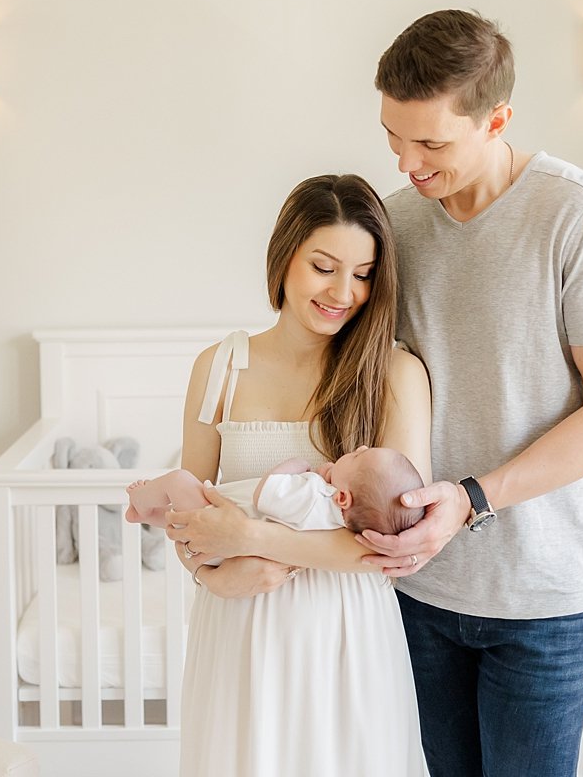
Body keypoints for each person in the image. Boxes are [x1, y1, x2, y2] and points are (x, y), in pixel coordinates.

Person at [358, 9, 583, 777]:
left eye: (431, 143)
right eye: (394, 138)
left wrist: (473, 498)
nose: (407, 164)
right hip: (420, 585)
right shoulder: (396, 227)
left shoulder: (579, 219)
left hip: (542, 599)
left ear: (498, 119)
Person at [163, 173, 432, 777]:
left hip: (344, 631)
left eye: (363, 274)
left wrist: (253, 538)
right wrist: (209, 576)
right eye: (324, 266)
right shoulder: (220, 367)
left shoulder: (394, 374)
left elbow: (396, 546)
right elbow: (185, 512)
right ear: (284, 257)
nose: (344, 291)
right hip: (238, 627)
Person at [125, 445, 425, 552]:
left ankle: (140, 499)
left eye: (360, 456)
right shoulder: (334, 520)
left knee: (179, 480)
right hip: (227, 539)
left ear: (343, 497)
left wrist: (298, 466)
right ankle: (149, 516)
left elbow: (265, 494)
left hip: (220, 522)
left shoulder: (315, 494)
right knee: (178, 519)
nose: (358, 448)